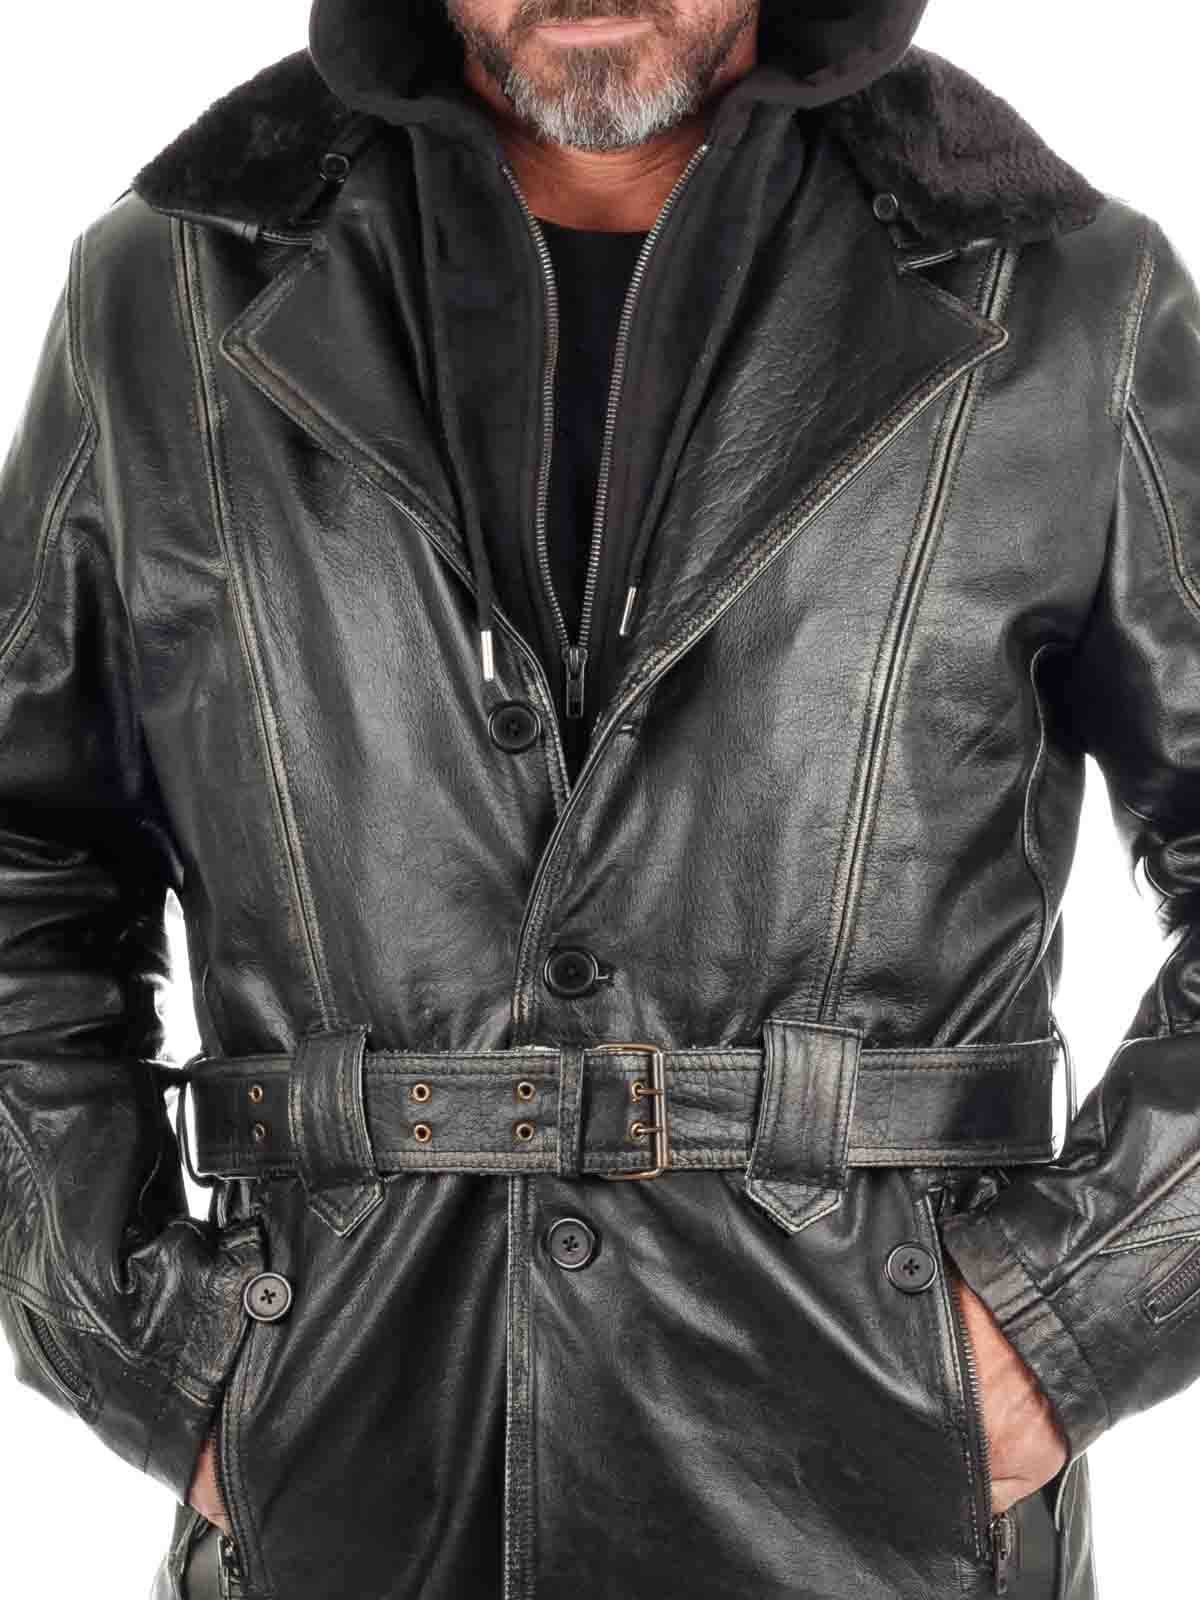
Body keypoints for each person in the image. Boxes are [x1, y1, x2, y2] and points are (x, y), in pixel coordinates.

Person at [0, 0, 1196, 1593]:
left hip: (877, 1511)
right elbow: (24, 863)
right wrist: (152, 1353)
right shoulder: (159, 295)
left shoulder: (1067, 297)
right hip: (349, 1489)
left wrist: (1068, 1324)